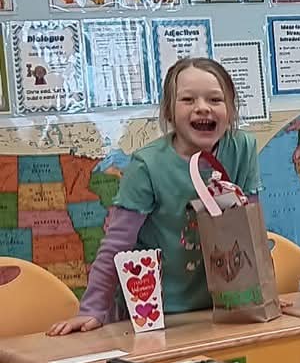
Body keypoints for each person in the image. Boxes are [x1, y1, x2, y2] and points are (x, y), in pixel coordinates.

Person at [50, 57, 256, 334]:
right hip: (157, 315)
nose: (202, 107)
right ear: (169, 111)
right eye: (188, 100)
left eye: (215, 99)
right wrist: (93, 309)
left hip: (222, 307)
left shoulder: (242, 149)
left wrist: (260, 294)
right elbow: (117, 244)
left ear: (230, 110)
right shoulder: (147, 165)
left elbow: (251, 230)